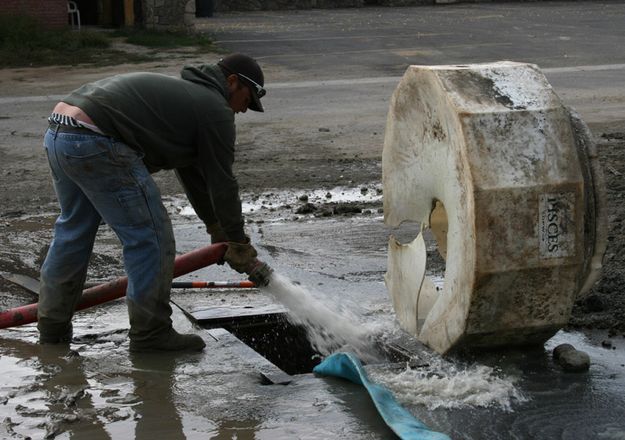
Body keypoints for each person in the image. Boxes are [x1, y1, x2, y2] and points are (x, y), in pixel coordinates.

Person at [38, 53, 265, 352]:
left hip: (61, 132)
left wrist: (215, 226)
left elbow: (195, 175)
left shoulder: (191, 98)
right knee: (151, 238)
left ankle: (52, 329)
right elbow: (222, 182)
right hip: (97, 138)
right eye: (247, 100)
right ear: (232, 81)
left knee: (73, 231)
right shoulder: (215, 110)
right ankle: (151, 333)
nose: (244, 110)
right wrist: (238, 240)